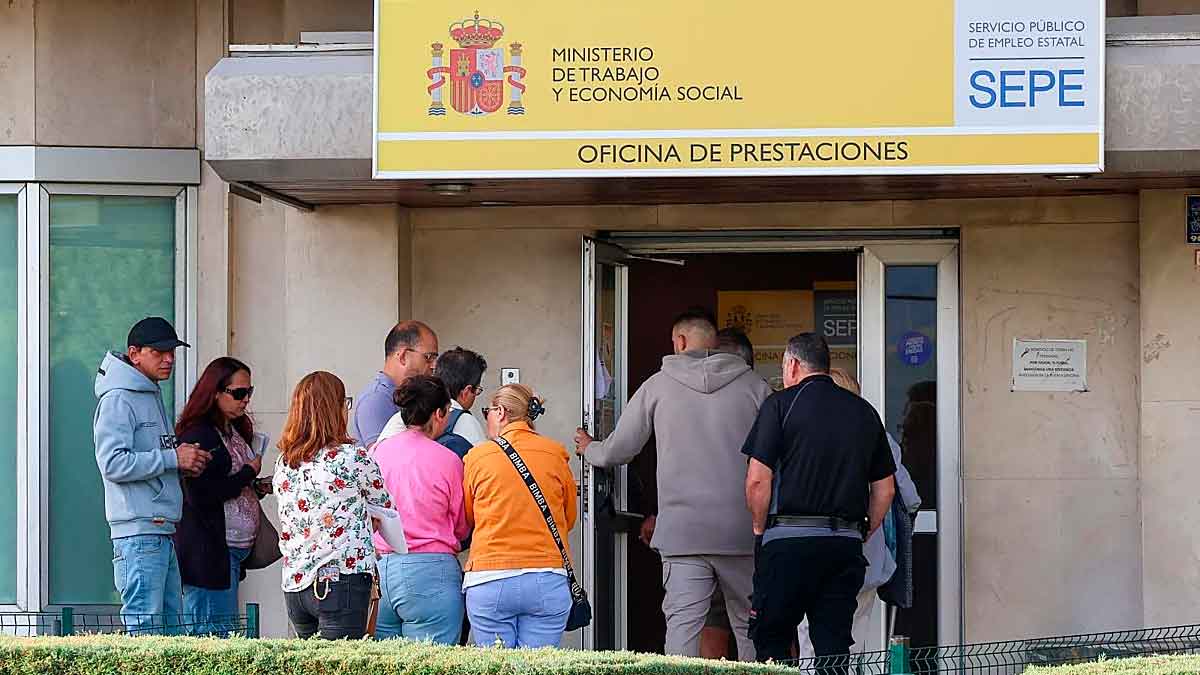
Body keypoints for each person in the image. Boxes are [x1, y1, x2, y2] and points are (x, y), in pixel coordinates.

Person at [574, 308, 772, 661]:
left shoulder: (658, 385)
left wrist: (591, 448)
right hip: (740, 531)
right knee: (749, 626)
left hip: (682, 534)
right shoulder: (756, 387)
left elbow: (620, 449)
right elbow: (779, 456)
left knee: (683, 627)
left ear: (680, 341)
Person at [742, 334, 897, 666]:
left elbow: (757, 480)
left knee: (772, 642)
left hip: (787, 544)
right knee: (833, 647)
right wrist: (865, 527)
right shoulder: (864, 412)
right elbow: (885, 489)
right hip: (843, 547)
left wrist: (759, 527)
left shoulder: (780, 405)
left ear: (794, 365)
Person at [94, 317, 210, 634]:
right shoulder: (119, 398)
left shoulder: (148, 392)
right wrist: (173, 457)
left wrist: (183, 461)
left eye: (171, 351)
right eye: (159, 352)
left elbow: (148, 457)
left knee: (171, 637)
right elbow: (113, 464)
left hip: (157, 530)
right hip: (138, 533)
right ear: (135, 354)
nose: (169, 358)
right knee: (146, 634)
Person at [795, 367, 921, 659]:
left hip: (809, 552)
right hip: (865, 557)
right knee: (853, 644)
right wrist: (869, 529)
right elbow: (909, 497)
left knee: (809, 645)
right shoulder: (878, 436)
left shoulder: (802, 436)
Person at [273, 371, 393, 640]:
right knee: (341, 665)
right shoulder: (352, 457)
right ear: (336, 408)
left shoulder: (284, 462)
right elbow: (384, 507)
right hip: (343, 579)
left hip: (295, 582)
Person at [462, 384, 577, 648]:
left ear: (500, 412)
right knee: (538, 668)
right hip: (547, 576)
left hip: (489, 577)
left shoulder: (478, 457)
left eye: (487, 411)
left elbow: (470, 517)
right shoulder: (556, 454)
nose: (487, 418)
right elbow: (568, 518)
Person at [372, 375, 470, 644]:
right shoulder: (448, 460)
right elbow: (461, 526)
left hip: (381, 569)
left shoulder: (378, 452)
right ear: (439, 413)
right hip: (432, 571)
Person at [174, 357, 267, 636]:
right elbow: (200, 495)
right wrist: (246, 476)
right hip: (209, 552)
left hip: (231, 551)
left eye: (249, 392)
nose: (245, 400)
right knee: (210, 637)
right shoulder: (199, 434)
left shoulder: (233, 429)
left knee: (223, 634)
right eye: (238, 393)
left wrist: (255, 486)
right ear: (215, 393)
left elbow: (227, 484)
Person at [701, 326, 757, 659]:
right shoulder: (762, 396)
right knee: (751, 624)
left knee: (717, 623)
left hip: (706, 535)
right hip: (745, 532)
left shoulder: (684, 397)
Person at [379, 346, 487, 450]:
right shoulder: (464, 420)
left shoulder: (406, 413)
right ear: (467, 391)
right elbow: (483, 463)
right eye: (477, 390)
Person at [353, 320, 439, 448]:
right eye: (428, 357)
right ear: (403, 356)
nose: (433, 366)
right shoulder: (377, 399)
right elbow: (384, 459)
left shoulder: (406, 394)